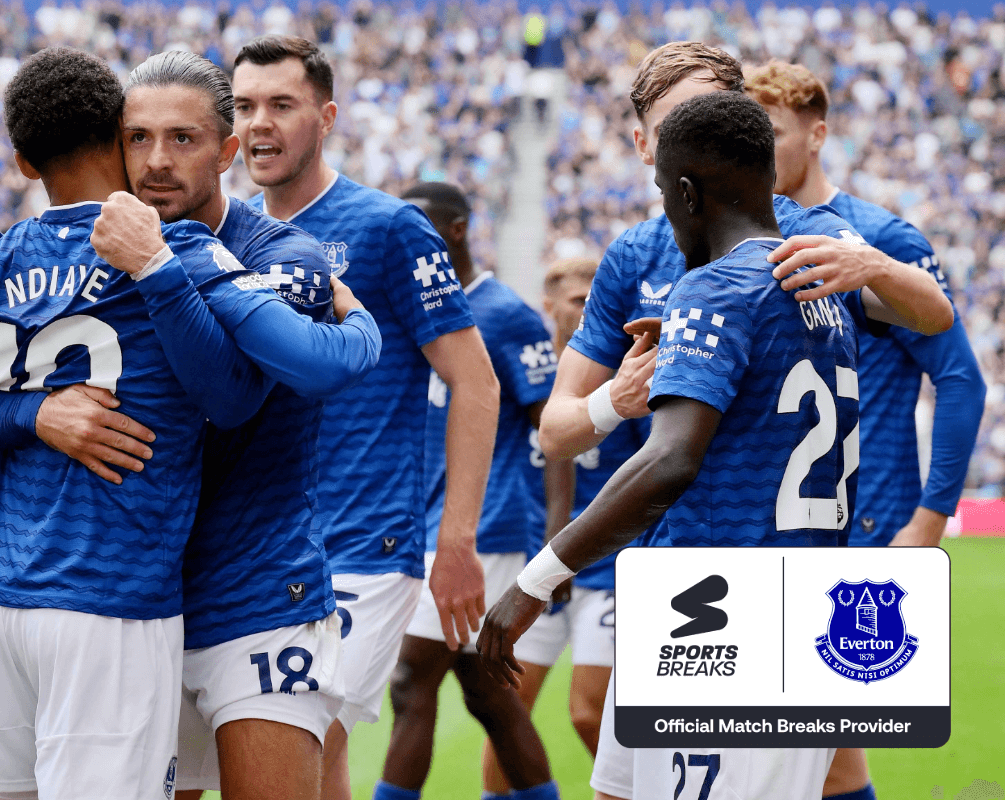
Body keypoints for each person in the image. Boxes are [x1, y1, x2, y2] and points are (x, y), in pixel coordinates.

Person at [0, 50, 382, 800]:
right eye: (137, 138)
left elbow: (303, 371)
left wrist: (360, 321)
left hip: (257, 596)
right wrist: (37, 411)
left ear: (227, 151)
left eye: (183, 139)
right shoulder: (86, 253)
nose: (155, 161)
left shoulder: (280, 255)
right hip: (136, 606)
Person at [0, 46, 283, 800]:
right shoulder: (171, 249)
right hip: (110, 600)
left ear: (22, 162)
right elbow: (235, 399)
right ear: (121, 133)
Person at [531, 44, 955, 785]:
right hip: (670, 574)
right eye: (676, 122)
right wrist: (614, 401)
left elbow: (935, 315)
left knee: (814, 762)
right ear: (643, 145)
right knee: (626, 783)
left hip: (752, 586)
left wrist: (875, 267)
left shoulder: (803, 235)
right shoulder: (633, 258)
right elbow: (556, 430)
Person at [480, 90, 876, 800]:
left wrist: (532, 581)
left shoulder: (713, 288)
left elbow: (669, 460)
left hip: (725, 612)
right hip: (780, 599)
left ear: (687, 192)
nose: (663, 209)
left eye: (666, 192)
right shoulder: (820, 289)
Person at [231, 35, 502, 800]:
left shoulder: (388, 228)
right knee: (311, 763)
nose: (260, 124)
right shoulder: (230, 236)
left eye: (281, 105)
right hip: (261, 548)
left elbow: (474, 385)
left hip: (363, 546)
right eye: (246, 107)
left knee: (300, 746)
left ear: (326, 116)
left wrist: (456, 542)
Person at [745, 58, 987, 800]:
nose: (758, 150)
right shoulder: (743, 242)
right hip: (771, 524)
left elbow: (960, 377)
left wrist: (929, 520)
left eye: (775, 134)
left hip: (861, 524)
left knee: (802, 747)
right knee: (820, 755)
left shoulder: (878, 237)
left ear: (818, 136)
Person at [373, 182, 562, 800]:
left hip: (487, 527)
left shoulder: (504, 313)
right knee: (487, 693)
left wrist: (554, 536)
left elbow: (552, 430)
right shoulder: (414, 308)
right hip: (431, 521)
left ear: (455, 230)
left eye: (421, 226)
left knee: (409, 681)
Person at [481, 257, 645, 800]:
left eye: (592, 300)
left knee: (587, 712)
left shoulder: (624, 370)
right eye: (577, 300)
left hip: (605, 569)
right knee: (507, 712)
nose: (586, 311)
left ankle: (646, 789)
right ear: (548, 306)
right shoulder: (526, 373)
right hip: (536, 566)